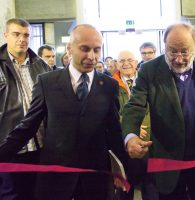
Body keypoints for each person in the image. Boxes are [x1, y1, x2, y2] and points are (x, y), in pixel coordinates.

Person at [0, 24, 127, 200]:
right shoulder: (47, 82)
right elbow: (28, 126)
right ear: (69, 48)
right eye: (85, 49)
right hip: (55, 176)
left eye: (97, 50)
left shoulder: (109, 86)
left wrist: (124, 168)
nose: (92, 56)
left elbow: (114, 131)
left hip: (96, 177)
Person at [121, 22, 195, 200]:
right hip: (167, 161)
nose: (179, 58)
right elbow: (134, 106)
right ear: (164, 46)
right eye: (172, 51)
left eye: (185, 51)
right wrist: (130, 136)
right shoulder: (149, 70)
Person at [0, 18, 50, 200]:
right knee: (10, 195)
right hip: (9, 146)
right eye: (16, 34)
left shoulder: (42, 65)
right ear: (6, 35)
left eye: (26, 35)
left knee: (39, 194)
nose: (22, 39)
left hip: (41, 146)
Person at [113, 50, 157, 200]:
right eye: (122, 60)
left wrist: (144, 124)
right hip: (123, 145)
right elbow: (109, 113)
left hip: (150, 144)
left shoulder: (150, 81)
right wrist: (131, 128)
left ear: (136, 62)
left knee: (151, 188)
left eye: (130, 60)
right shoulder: (110, 84)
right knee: (125, 189)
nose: (126, 63)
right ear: (116, 64)